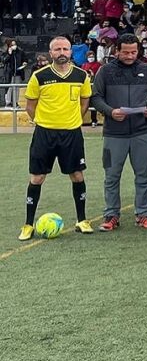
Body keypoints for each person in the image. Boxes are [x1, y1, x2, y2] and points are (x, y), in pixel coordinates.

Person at [19, 37, 93, 240]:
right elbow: (30, 106)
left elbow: (84, 100)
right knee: (37, 177)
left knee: (77, 175)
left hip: (71, 133)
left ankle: (82, 220)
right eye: (57, 49)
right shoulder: (39, 76)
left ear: (71, 52)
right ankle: (28, 225)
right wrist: (43, 122)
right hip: (45, 133)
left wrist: (73, 119)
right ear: (51, 53)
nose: (62, 52)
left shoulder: (81, 75)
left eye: (65, 49)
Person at [90, 34, 147, 232]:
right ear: (116, 51)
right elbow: (95, 98)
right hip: (113, 134)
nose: (130, 56)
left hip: (141, 133)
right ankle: (111, 215)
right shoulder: (105, 71)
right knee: (111, 176)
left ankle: (144, 214)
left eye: (133, 52)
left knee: (143, 176)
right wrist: (110, 111)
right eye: (125, 52)